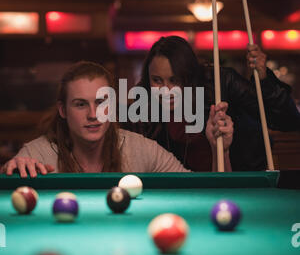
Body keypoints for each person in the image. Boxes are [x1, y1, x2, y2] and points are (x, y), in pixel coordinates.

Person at [0, 61, 233, 177]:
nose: (93, 114)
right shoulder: (36, 155)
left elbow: (203, 193)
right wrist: (9, 173)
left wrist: (218, 150)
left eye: (102, 102)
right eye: (81, 104)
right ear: (62, 110)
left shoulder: (142, 150)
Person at [123, 36, 300, 171]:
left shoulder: (221, 83)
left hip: (240, 180)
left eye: (175, 80)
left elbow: (288, 120)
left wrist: (263, 79)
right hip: (182, 189)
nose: (166, 90)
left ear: (190, 76)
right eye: (157, 80)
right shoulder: (143, 106)